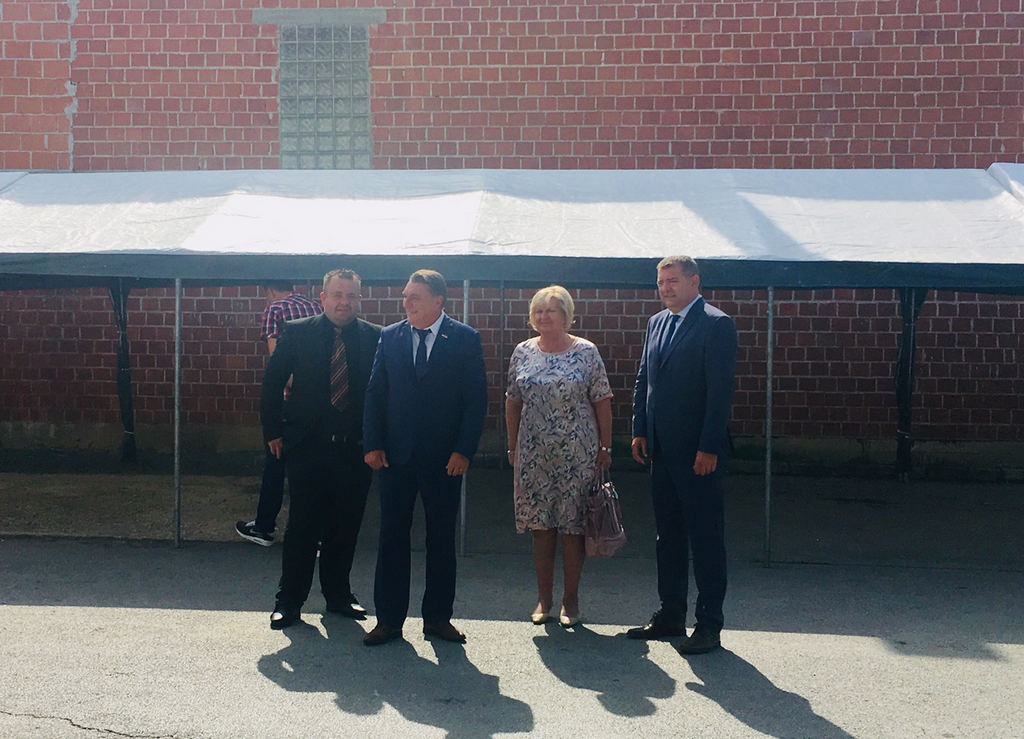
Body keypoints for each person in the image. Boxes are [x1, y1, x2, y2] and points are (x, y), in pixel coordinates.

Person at [361, 269, 488, 646]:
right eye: (405, 296)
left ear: (438, 301)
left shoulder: (465, 338)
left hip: (444, 460)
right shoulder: (390, 336)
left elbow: (475, 401)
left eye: (414, 297)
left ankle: (437, 619)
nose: (406, 303)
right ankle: (388, 620)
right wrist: (373, 443)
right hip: (395, 458)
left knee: (441, 540)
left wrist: (464, 450)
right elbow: (375, 394)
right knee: (392, 539)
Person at [627, 256, 738, 655]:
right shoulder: (657, 322)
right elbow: (645, 378)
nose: (666, 288)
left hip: (698, 453)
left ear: (695, 282)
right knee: (668, 536)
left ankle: (709, 625)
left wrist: (709, 446)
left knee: (705, 537)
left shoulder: (716, 324)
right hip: (661, 450)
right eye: (661, 282)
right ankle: (671, 614)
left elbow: (720, 392)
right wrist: (640, 428)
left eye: (673, 281)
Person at [261, 270, 382, 630]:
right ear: (324, 297)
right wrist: (274, 432)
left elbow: (383, 393)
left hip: (355, 451)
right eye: (338, 295)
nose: (345, 302)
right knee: (302, 527)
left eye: (352, 296)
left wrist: (378, 442)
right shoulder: (298, 332)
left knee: (345, 526)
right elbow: (272, 383)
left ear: (360, 299)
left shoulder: (375, 337)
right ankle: (289, 601)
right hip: (308, 448)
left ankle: (339, 595)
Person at [505, 285, 613, 628]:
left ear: (566, 315)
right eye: (538, 311)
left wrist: (605, 447)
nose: (543, 316)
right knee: (541, 527)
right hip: (534, 454)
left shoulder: (586, 352)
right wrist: (512, 446)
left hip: (578, 453)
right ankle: (544, 599)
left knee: (573, 527)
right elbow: (512, 401)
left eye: (550, 310)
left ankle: (571, 600)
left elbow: (602, 401)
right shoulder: (522, 352)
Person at [236, 282, 322, 546]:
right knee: (313, 466)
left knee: (276, 462)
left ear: (270, 291)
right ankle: (317, 534)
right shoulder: (317, 307)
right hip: (319, 403)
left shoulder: (275, 309)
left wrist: (298, 386)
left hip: (289, 401)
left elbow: (277, 363)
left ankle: (264, 527)